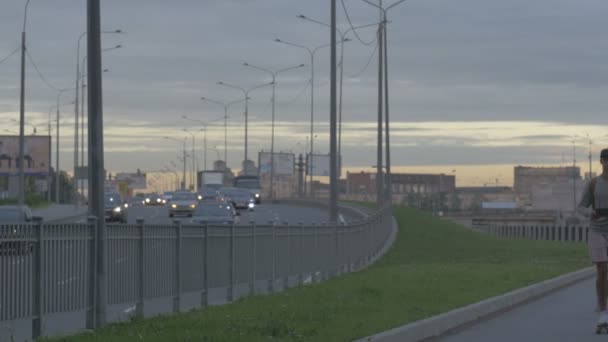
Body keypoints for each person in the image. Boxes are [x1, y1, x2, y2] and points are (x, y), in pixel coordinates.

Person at [579, 148, 608, 331]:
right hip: (597, 230)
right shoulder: (593, 184)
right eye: (605, 159)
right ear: (601, 162)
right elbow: (581, 206)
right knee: (602, 268)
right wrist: (590, 212)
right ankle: (603, 309)